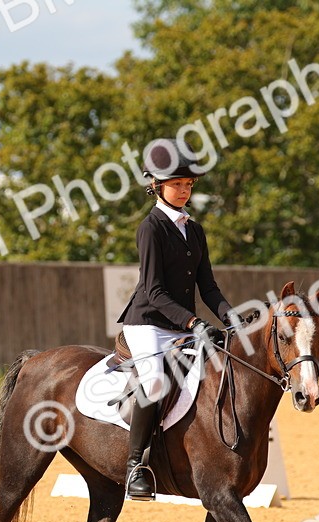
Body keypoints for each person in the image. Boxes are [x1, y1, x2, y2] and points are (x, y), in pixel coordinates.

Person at [116, 139, 233, 501]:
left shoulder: (194, 230)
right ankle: (136, 466)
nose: (184, 190)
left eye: (188, 184)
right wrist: (194, 323)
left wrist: (231, 317)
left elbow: (207, 286)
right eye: (177, 184)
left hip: (180, 325)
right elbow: (153, 291)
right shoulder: (151, 228)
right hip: (148, 324)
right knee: (154, 383)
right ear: (156, 185)